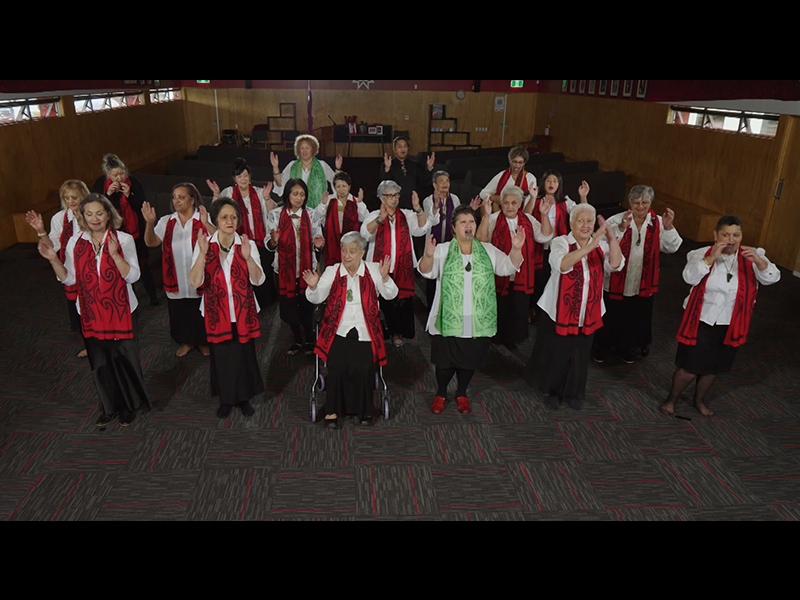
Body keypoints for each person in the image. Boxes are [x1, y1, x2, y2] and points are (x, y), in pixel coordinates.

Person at [38, 193, 151, 428]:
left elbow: (133, 276)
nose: (94, 218)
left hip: (122, 313)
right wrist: (52, 259)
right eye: (88, 214)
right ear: (83, 216)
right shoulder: (75, 242)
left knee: (123, 360)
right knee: (99, 363)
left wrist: (115, 255)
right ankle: (108, 407)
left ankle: (129, 406)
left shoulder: (123, 239)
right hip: (90, 312)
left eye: (99, 213)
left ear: (108, 214)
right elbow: (69, 279)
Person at [661, 216, 781, 419]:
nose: (731, 240)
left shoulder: (753, 256)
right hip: (700, 319)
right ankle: (671, 399)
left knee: (712, 368)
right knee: (689, 367)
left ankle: (699, 400)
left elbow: (772, 278)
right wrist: (711, 258)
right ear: (716, 235)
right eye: (726, 235)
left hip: (730, 322)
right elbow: (689, 277)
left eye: (736, 235)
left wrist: (760, 262)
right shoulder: (700, 253)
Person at [420, 205, 526, 415]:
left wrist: (516, 249)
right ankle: (441, 393)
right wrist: (429, 256)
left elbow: (508, 268)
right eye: (463, 222)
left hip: (477, 319)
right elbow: (426, 272)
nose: (468, 226)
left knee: (469, 360)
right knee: (444, 363)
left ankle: (461, 393)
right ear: (453, 228)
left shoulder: (487, 250)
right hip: (448, 318)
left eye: (471, 221)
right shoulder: (442, 249)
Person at [523, 204, 624, 411]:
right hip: (559, 310)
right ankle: (554, 391)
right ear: (572, 223)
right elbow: (562, 265)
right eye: (581, 221)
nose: (586, 225)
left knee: (580, 352)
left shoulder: (601, 245)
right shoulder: (561, 242)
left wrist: (612, 240)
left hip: (588, 311)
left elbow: (616, 264)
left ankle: (574, 391)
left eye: (589, 221)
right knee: (559, 351)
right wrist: (589, 246)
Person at [305, 233, 398, 428]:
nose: (347, 255)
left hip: (366, 329)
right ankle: (332, 410)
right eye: (344, 250)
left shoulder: (373, 270)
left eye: (352, 251)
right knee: (337, 365)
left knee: (363, 366)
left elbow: (391, 295)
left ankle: (365, 410)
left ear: (362, 253)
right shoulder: (333, 271)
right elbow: (316, 297)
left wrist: (385, 277)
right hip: (337, 328)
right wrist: (313, 287)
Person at [189, 199, 266, 419]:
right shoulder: (205, 244)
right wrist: (202, 255)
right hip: (216, 313)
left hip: (242, 312)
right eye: (224, 217)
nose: (229, 221)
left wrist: (248, 256)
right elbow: (195, 282)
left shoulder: (245, 243)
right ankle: (226, 399)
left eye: (233, 217)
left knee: (243, 356)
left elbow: (259, 280)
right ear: (216, 220)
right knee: (221, 358)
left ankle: (243, 398)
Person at [595, 185, 683, 363]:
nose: (641, 206)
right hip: (615, 280)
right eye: (636, 202)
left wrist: (668, 228)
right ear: (630, 203)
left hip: (642, 283)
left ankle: (628, 348)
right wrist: (620, 228)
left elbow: (672, 247)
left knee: (634, 318)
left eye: (645, 202)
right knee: (611, 316)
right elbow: (599, 244)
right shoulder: (617, 220)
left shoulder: (658, 221)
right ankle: (602, 348)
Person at [143, 183, 216, 358]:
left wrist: (206, 224)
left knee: (200, 311)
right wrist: (149, 223)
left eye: (181, 197)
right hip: (175, 277)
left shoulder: (203, 218)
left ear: (192, 200)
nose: (176, 201)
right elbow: (151, 242)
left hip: (199, 277)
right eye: (174, 197)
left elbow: (217, 240)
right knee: (181, 311)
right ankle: (188, 341)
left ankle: (203, 342)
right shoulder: (167, 221)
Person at [476, 188, 555, 350]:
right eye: (506, 203)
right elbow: (481, 240)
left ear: (519, 204)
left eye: (513, 203)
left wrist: (545, 215)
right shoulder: (493, 219)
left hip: (521, 275)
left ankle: (512, 338)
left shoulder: (529, 220)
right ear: (501, 204)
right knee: (499, 305)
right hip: (498, 273)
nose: (510, 206)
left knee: (518, 307)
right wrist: (485, 216)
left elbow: (545, 236)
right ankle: (495, 336)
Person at [362, 180, 431, 347]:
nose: (393, 199)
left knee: (401, 303)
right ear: (381, 197)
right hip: (381, 267)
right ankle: (385, 332)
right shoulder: (373, 215)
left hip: (402, 266)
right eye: (389, 195)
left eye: (396, 195)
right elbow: (364, 234)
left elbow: (421, 228)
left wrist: (418, 209)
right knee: (385, 303)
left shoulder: (406, 215)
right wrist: (380, 219)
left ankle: (399, 332)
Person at [26, 180, 90, 358]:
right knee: (78, 312)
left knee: (94, 311)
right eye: (67, 198)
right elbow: (52, 246)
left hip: (91, 270)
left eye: (74, 197)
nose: (71, 201)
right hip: (70, 270)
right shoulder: (59, 218)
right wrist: (40, 231)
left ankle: (104, 345)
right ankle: (90, 346)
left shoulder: (91, 214)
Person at [207, 157, 278, 309]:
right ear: (234, 178)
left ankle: (266, 302)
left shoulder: (259, 192)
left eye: (246, 175)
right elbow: (215, 213)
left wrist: (266, 198)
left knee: (262, 269)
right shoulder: (228, 193)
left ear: (250, 176)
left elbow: (272, 212)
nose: (243, 179)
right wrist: (215, 195)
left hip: (259, 241)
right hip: (236, 241)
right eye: (239, 176)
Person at [266, 179, 325, 356]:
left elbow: (318, 239)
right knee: (289, 306)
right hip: (284, 271)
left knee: (307, 306)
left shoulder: (312, 214)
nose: (299, 198)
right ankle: (296, 339)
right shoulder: (275, 215)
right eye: (295, 194)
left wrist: (318, 245)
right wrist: (273, 241)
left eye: (302, 194)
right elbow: (268, 244)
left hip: (307, 270)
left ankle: (309, 339)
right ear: (287, 195)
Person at [92, 154, 159, 306]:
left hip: (135, 232)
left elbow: (141, 205)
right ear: (108, 175)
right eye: (115, 175)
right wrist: (108, 194)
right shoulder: (101, 184)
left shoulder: (133, 183)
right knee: (122, 265)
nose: (119, 178)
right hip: (114, 233)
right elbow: (96, 206)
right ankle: (131, 299)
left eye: (122, 173)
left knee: (142, 265)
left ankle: (153, 296)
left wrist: (129, 194)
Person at [530, 170, 591, 317]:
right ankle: (536, 311)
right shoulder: (536, 199)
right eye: (548, 181)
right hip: (538, 247)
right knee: (539, 279)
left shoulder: (565, 201)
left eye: (555, 181)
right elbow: (526, 215)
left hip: (558, 247)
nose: (551, 184)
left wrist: (583, 196)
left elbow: (582, 212)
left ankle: (553, 310)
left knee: (556, 278)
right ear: (543, 182)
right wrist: (532, 199)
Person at [313, 171, 368, 268]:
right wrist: (322, 204)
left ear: (349, 187)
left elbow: (366, 219)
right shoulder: (329, 200)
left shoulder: (355, 201)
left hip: (351, 245)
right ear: (334, 188)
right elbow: (316, 217)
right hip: (331, 244)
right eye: (338, 186)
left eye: (344, 186)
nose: (341, 189)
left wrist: (360, 203)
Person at [272, 135, 342, 209]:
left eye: (307, 148)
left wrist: (338, 168)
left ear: (313, 149)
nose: (304, 151)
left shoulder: (322, 165)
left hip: (319, 209)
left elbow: (336, 181)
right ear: (298, 150)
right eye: (302, 148)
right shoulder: (292, 165)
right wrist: (275, 167)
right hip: (296, 207)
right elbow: (280, 183)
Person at [382, 136, 436, 211]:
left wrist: (429, 168)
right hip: (395, 205)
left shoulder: (414, 165)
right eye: (399, 147)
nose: (402, 149)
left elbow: (424, 182)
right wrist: (387, 169)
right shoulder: (389, 164)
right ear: (394, 149)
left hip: (412, 204)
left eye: (405, 146)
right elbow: (384, 185)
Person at [480, 146, 539, 212]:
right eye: (514, 162)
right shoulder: (501, 175)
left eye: (520, 162)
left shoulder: (530, 178)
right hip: (501, 210)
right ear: (510, 161)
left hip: (521, 212)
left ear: (524, 163)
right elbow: (483, 193)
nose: (517, 165)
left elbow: (532, 199)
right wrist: (494, 198)